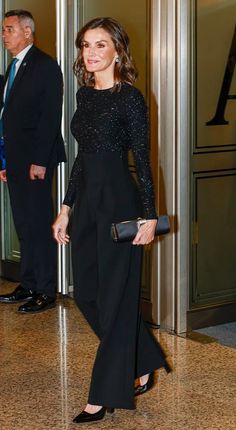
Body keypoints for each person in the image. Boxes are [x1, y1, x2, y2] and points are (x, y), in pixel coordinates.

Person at [53, 17, 171, 424]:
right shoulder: (85, 97)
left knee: (117, 301)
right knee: (87, 292)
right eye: (86, 45)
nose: (91, 52)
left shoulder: (130, 98)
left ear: (117, 50)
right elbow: (82, 157)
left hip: (121, 202)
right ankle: (145, 356)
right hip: (86, 204)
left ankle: (101, 396)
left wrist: (149, 217)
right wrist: (66, 208)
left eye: (100, 45)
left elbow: (143, 156)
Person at [0, 10, 66, 313]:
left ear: (27, 32)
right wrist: (4, 160)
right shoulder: (13, 67)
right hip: (14, 159)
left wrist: (40, 161)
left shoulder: (45, 65)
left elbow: (50, 118)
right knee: (24, 224)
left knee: (39, 224)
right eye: (3, 30)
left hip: (35, 161)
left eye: (9, 29)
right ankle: (28, 282)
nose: (4, 35)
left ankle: (46, 290)